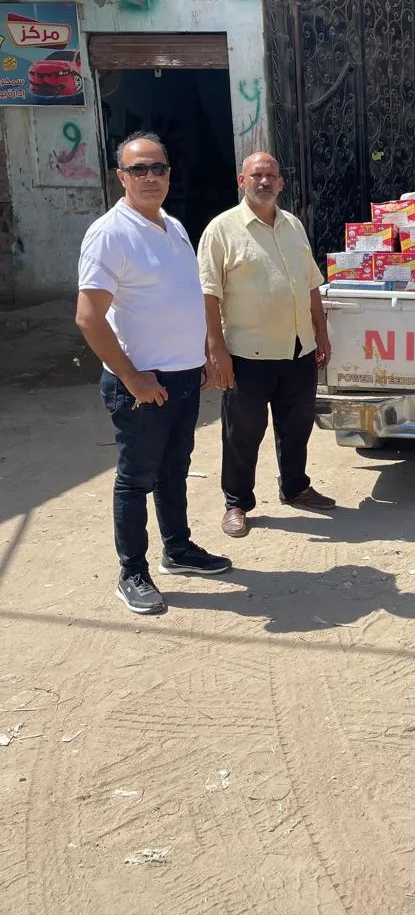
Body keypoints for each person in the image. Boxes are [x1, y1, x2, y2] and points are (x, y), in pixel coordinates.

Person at [76, 132, 233, 616]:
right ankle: (132, 572)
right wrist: (132, 377)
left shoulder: (174, 226)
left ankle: (178, 549)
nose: (150, 177)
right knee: (136, 478)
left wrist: (201, 354)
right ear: (120, 177)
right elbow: (88, 317)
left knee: (173, 470)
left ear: (168, 174)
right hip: (142, 383)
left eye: (157, 168)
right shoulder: (110, 232)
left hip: (183, 377)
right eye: (138, 169)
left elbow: (186, 296)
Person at [197, 151, 334, 538]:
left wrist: (321, 332)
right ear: (241, 181)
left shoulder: (293, 225)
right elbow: (209, 294)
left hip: (298, 348)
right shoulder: (222, 229)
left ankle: (295, 487)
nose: (264, 181)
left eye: (271, 175)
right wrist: (215, 350)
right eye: (256, 175)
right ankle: (237, 502)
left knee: (297, 426)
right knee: (243, 433)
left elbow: (311, 284)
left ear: (281, 183)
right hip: (247, 355)